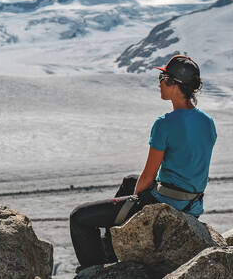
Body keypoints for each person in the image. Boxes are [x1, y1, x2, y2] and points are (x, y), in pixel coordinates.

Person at [69, 55, 217, 269]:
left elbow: (148, 176)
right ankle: (112, 247)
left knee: (79, 218)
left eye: (163, 77)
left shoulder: (164, 124)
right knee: (130, 180)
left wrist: (135, 200)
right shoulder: (207, 121)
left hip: (165, 203)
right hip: (192, 205)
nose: (159, 83)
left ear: (175, 85)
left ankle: (98, 270)